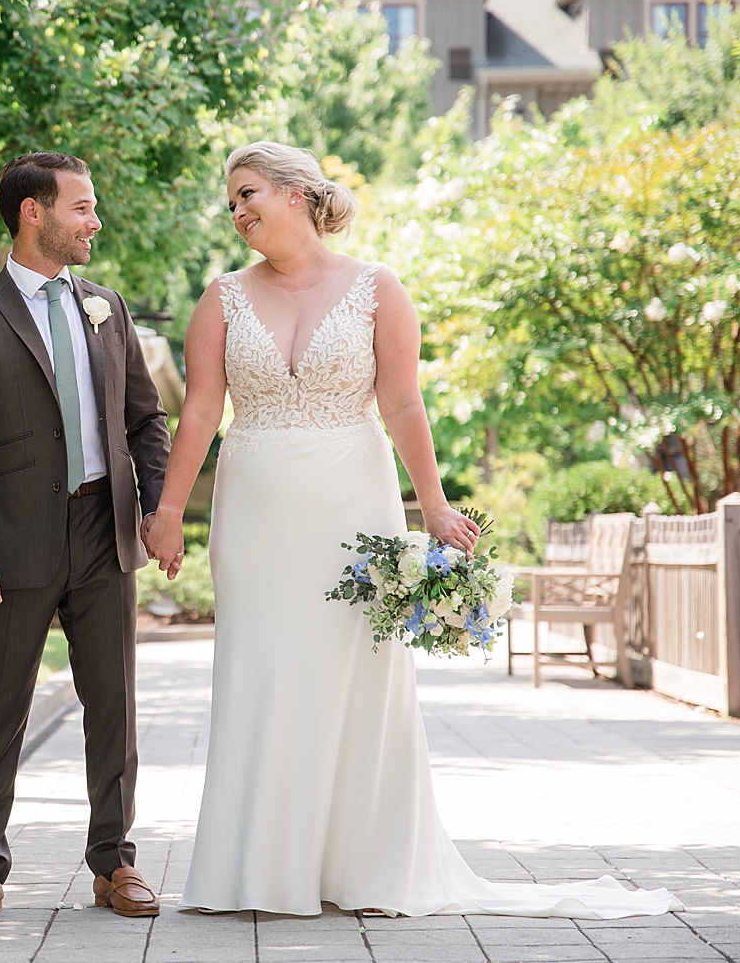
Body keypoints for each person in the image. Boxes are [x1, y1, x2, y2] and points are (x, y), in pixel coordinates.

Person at [144, 141, 680, 919]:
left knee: (355, 679)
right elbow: (197, 409)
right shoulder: (220, 297)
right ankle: (257, 868)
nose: (238, 211)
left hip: (352, 507)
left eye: (248, 192)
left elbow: (402, 403)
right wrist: (167, 509)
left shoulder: (375, 288)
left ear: (298, 193)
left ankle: (365, 866)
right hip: (254, 512)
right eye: (230, 201)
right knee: (262, 675)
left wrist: (431, 502)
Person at [0, 152, 173, 924]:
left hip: (104, 531)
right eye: (81, 208)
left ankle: (115, 861)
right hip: (9, 545)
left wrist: (157, 507)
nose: (94, 221)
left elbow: (146, 418)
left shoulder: (107, 306)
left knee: (114, 705)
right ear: (32, 213)